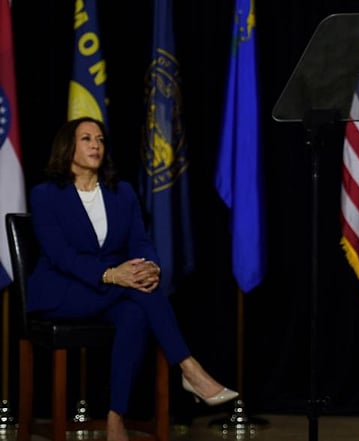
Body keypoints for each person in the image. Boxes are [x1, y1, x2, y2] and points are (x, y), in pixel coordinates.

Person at [27, 116, 238, 441]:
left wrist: (150, 265)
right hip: (62, 290)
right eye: (86, 139)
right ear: (67, 146)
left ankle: (115, 417)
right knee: (142, 295)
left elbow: (140, 241)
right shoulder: (45, 195)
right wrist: (113, 274)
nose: (96, 144)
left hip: (108, 292)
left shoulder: (121, 192)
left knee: (137, 311)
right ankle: (189, 368)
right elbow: (60, 256)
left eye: (100, 139)